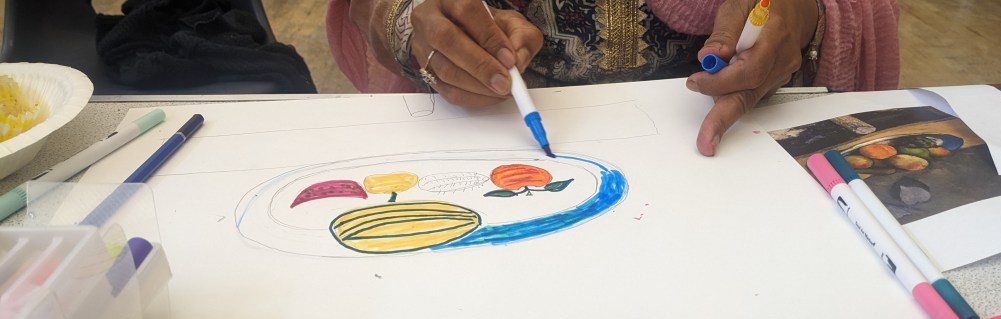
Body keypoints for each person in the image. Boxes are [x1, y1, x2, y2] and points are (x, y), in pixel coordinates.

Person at [326, 0, 899, 156]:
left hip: (736, 153)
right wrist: (409, 23)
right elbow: (372, 7)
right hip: (479, 133)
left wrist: (804, 15)